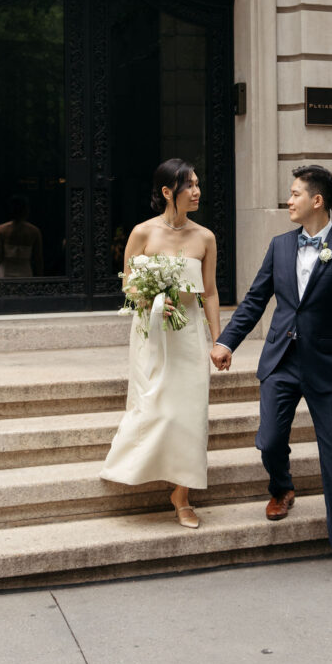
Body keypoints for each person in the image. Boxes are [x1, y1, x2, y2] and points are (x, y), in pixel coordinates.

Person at [211, 164, 332, 590]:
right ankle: (283, 488)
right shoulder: (280, 246)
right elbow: (254, 299)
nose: (289, 200)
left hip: (328, 368)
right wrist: (227, 341)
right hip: (281, 362)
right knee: (268, 439)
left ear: (316, 201)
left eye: (294, 194)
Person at [100, 159, 221, 529]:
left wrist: (220, 342)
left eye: (198, 184)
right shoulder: (143, 233)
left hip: (188, 336)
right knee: (155, 404)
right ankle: (138, 463)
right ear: (168, 192)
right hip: (151, 331)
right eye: (190, 185)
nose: (197, 191)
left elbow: (211, 293)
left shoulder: (205, 238)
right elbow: (128, 285)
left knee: (189, 413)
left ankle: (182, 494)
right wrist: (154, 299)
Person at [0, 195, 43, 278]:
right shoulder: (34, 231)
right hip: (25, 271)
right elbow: (38, 258)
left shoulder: (1, 229)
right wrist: (40, 278)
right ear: (26, 210)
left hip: (5, 271)